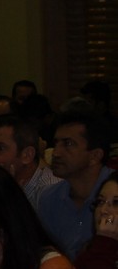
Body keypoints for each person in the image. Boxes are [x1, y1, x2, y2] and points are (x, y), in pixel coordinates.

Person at [36, 111, 114, 258]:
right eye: (56, 143)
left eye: (68, 144)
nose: (56, 153)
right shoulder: (49, 199)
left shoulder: (115, 194)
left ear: (95, 155)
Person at [76, 177, 118, 269]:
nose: (103, 210)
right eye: (100, 201)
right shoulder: (90, 252)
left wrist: (105, 243)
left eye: (116, 202)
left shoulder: (101, 247)